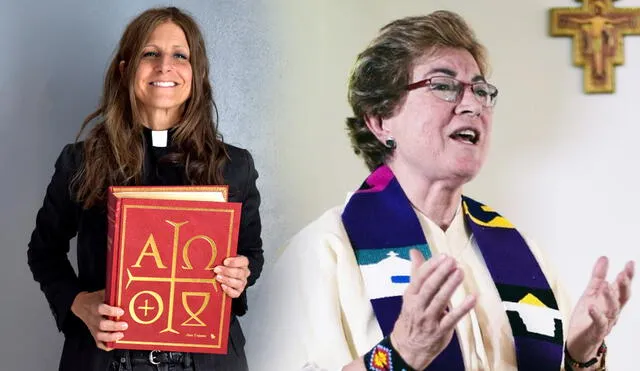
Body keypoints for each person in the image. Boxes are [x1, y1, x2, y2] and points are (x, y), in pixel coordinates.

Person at [246, 10, 634, 371]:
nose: (472, 105)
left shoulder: (521, 252)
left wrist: (579, 356)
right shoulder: (323, 253)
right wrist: (399, 354)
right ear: (381, 119)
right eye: (444, 86)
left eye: (481, 91)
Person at [27, 7, 263, 371]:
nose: (164, 66)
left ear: (196, 74)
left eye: (180, 56)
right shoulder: (82, 161)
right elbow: (43, 253)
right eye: (149, 53)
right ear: (125, 70)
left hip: (205, 360)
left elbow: (250, 253)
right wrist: (78, 302)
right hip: (106, 358)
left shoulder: (234, 167)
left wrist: (241, 273)